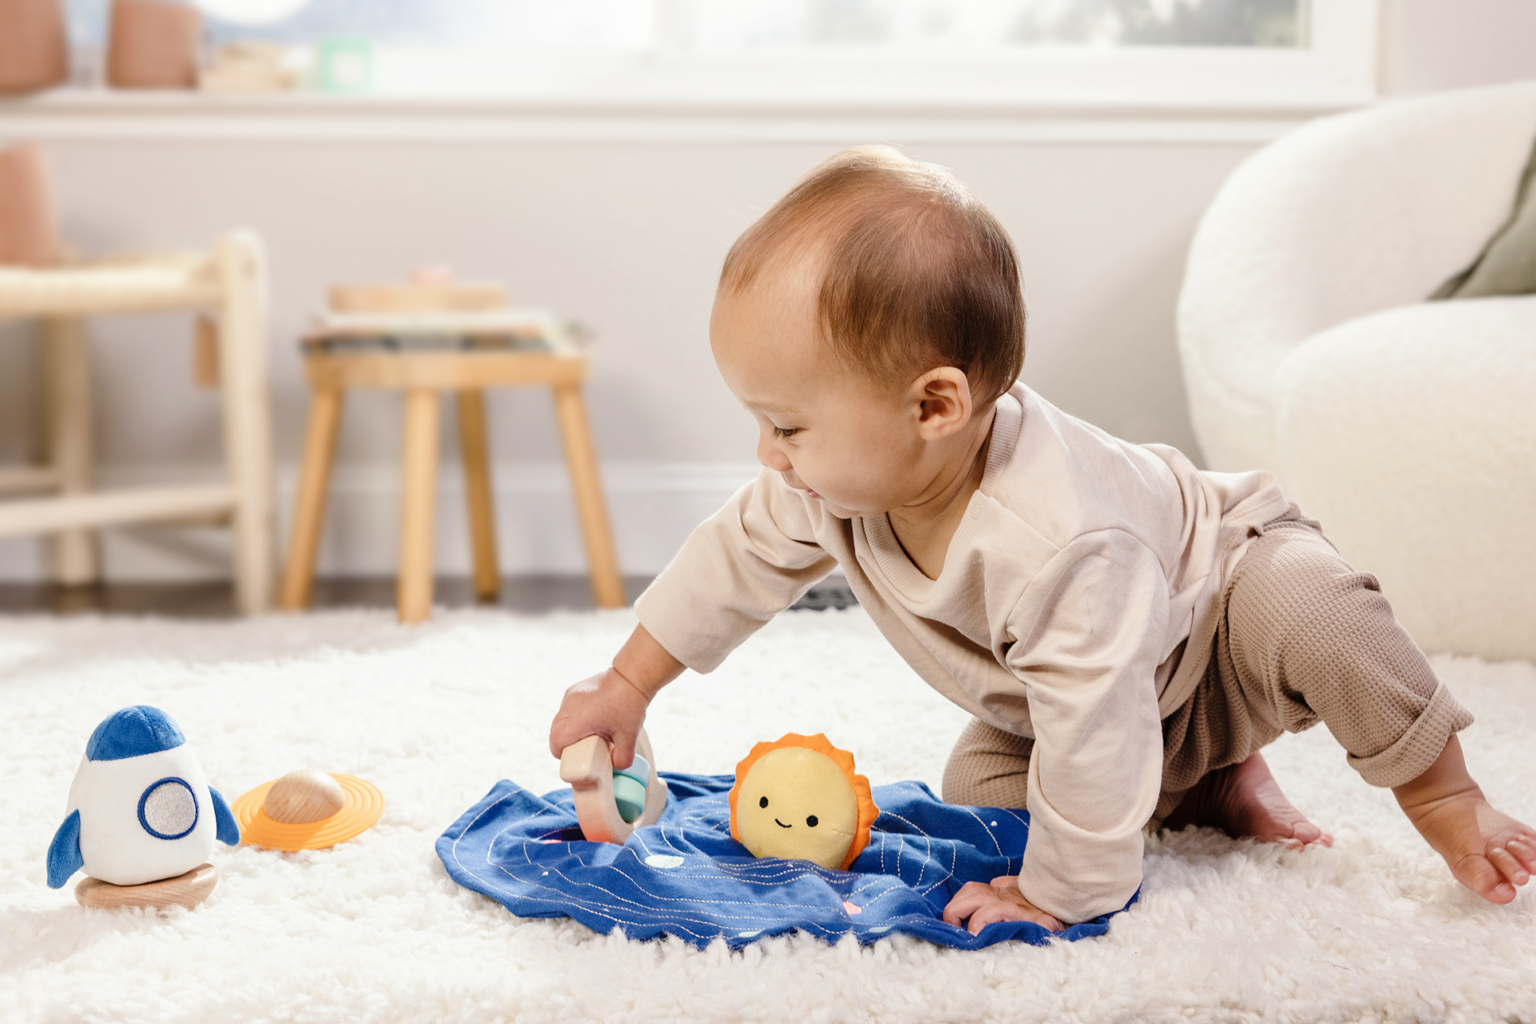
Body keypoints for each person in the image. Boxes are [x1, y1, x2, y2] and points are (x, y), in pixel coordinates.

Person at [548, 145, 1535, 932]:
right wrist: (628, 683)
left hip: (1218, 620)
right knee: (979, 799)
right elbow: (732, 564)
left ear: (934, 405)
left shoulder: (1063, 538)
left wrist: (1064, 891)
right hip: (1093, 692)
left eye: (788, 424)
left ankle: (1446, 795)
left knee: (1316, 606)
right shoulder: (837, 481)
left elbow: (1100, 723)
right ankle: (1209, 784)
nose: (766, 453)